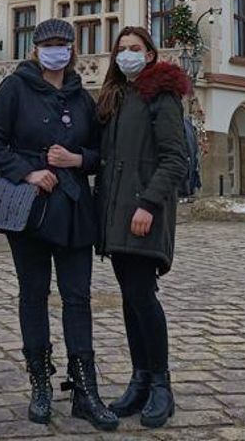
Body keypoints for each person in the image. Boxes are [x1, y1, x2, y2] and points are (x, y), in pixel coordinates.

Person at [0, 19, 117, 431]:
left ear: (72, 49)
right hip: (31, 209)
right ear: (36, 49)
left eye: (62, 43)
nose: (56, 49)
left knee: (78, 297)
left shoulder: (81, 96)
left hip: (74, 209)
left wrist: (77, 161)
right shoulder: (15, 88)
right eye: (48, 43)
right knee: (33, 295)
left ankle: (84, 388)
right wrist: (28, 172)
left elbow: (98, 151)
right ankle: (39, 382)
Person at [95, 26, 189, 429]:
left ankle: (161, 385)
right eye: (122, 49)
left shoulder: (160, 95)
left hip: (142, 214)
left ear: (150, 55)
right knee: (131, 298)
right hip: (116, 213)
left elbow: (175, 158)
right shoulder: (118, 97)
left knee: (143, 298)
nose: (128, 55)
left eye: (136, 48)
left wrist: (148, 204)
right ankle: (140, 379)